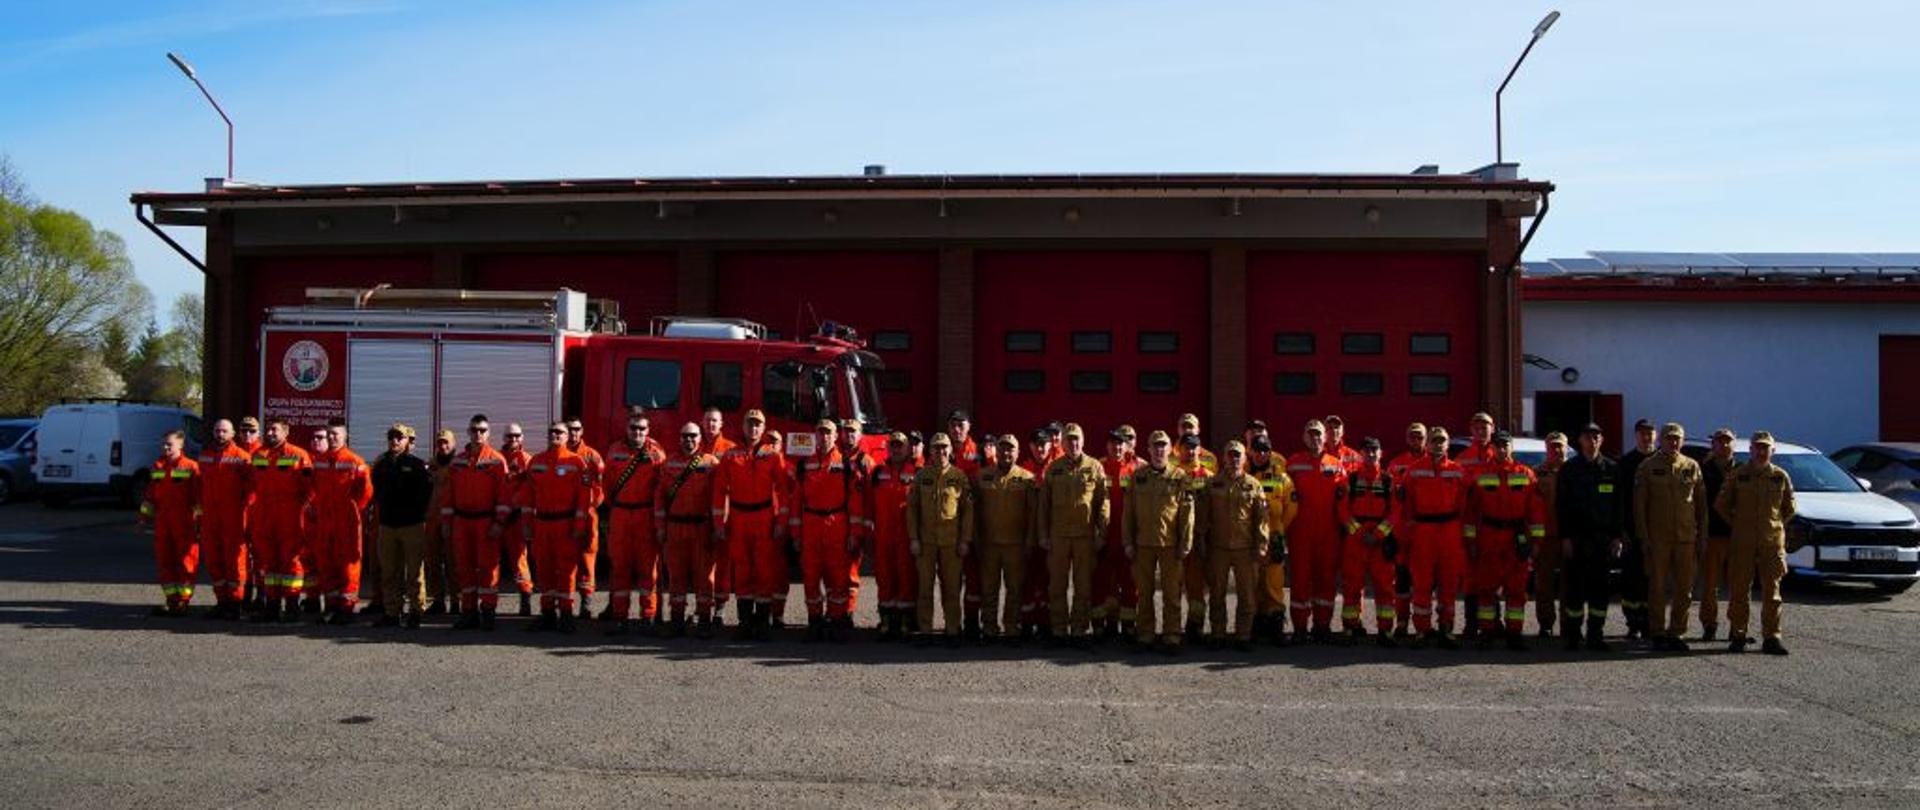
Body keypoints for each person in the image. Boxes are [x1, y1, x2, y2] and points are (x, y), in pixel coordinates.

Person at [1714, 431, 1796, 655]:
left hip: (1771, 543)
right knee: (1740, 590)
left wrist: (1775, 525)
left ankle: (1772, 637)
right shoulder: (1738, 475)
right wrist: (1739, 525)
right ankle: (1738, 634)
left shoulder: (1780, 476)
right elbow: (1721, 504)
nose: (1761, 452)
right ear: (1750, 449)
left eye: (1765, 448)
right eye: (1757, 447)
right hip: (1743, 542)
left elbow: (1790, 509)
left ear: (1772, 451)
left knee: (1773, 592)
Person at [1464, 431, 1544, 650]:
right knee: (1486, 590)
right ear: (1493, 448)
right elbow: (1471, 512)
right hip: (1489, 537)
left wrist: (1536, 542)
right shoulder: (1480, 474)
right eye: (1498, 445)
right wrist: (1470, 542)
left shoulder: (1526, 474)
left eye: (1505, 445)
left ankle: (1514, 634)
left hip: (1515, 539)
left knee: (1516, 591)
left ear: (1511, 448)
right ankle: (1487, 632)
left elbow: (1535, 512)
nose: (1501, 449)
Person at [1634, 422, 1708, 651]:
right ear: (1661, 440)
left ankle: (1677, 632)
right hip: (1659, 539)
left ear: (1682, 441)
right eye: (1669, 438)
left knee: (1684, 588)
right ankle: (1657, 632)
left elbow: (1701, 506)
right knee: (1657, 587)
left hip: (1686, 538)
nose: (1673, 442)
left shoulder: (1692, 466)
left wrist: (1702, 536)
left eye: (1677, 439)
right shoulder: (1648, 467)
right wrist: (1643, 537)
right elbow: (1639, 506)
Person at [789, 419, 863, 642]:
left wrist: (854, 534)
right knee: (810, 578)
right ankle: (814, 622)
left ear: (835, 436)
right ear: (816, 436)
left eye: (828, 433)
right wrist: (796, 535)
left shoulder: (846, 465)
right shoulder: (805, 465)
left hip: (837, 523)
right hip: (811, 524)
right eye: (820, 433)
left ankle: (837, 621)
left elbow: (855, 504)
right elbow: (795, 503)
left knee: (838, 578)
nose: (824, 437)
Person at [715, 410, 786, 640]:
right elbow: (719, 492)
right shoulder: (730, 456)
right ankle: (745, 621)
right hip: (739, 517)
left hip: (764, 516)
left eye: (758, 425)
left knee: (764, 570)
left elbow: (784, 491)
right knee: (742, 569)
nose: (753, 429)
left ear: (763, 428)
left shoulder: (773, 456)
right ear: (743, 427)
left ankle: (762, 622)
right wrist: (719, 521)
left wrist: (780, 521)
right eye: (750, 424)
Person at [1123, 431, 1195, 654]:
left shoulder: (1180, 477)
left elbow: (1187, 512)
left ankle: (1172, 636)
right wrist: (1128, 541)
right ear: (1149, 449)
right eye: (1155, 446)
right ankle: (1145, 635)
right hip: (1143, 544)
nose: (1159, 450)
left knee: (1171, 593)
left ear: (1169, 449)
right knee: (1144, 593)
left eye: (1163, 446)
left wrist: (1186, 542)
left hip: (1170, 545)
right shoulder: (1138, 476)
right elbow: (1129, 512)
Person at [1039, 423, 1110, 645]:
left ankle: (1079, 629)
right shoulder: (1053, 468)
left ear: (1083, 441)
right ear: (1062, 443)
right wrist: (1043, 534)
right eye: (1069, 440)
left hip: (1084, 536)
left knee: (1083, 585)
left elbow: (1103, 502)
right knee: (1057, 585)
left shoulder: (1095, 467)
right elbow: (1044, 506)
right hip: (1059, 536)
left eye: (1077, 439)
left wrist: (1102, 534)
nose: (1074, 444)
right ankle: (1059, 629)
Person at [1399, 427, 1469, 649]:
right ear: (1427, 444)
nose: (1438, 444)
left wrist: (1464, 537)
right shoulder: (1413, 471)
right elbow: (1406, 507)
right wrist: (1407, 538)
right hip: (1423, 531)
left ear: (1448, 444)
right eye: (1434, 441)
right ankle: (1422, 629)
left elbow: (1466, 506)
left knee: (1448, 584)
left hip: (1450, 530)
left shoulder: (1458, 471)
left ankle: (1446, 628)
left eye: (1442, 441)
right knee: (1422, 584)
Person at [1557, 424, 1624, 652]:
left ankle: (1596, 634)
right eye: (1588, 436)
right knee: (1574, 589)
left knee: (1600, 589)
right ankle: (1573, 635)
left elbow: (1619, 507)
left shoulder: (1612, 469)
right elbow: (1562, 506)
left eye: (1596, 436)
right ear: (1580, 440)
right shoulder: (1569, 469)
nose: (1592, 440)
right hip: (1576, 538)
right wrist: (1565, 537)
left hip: (1602, 538)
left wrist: (1617, 537)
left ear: (1601, 440)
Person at [1197, 440, 1268, 650]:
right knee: (1217, 593)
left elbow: (1261, 519)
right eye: (1230, 455)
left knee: (1246, 594)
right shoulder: (1212, 484)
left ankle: (1243, 635)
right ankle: (1218, 634)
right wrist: (1200, 540)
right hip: (1218, 548)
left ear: (1245, 459)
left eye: (1238, 455)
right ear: (1224, 458)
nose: (1234, 459)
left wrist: (1262, 544)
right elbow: (1203, 517)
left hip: (1245, 549)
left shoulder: (1254, 485)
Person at [442, 415, 511, 631]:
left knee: (488, 568)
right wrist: (447, 522)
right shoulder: (457, 461)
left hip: (486, 521)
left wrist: (499, 522)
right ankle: (469, 612)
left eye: (482, 430)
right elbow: (448, 495)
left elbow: (504, 496)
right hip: (462, 521)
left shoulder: (497, 461)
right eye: (474, 430)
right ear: (468, 432)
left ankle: (488, 612)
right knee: (464, 568)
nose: (478, 434)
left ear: (488, 433)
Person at [520, 422, 591, 633]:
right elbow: (527, 497)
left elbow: (583, 500)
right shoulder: (536, 461)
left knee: (566, 571)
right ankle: (548, 614)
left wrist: (579, 526)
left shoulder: (577, 462)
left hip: (565, 524)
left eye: (559, 432)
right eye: (552, 432)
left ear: (568, 436)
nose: (555, 435)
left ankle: (567, 615)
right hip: (542, 524)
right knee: (544, 570)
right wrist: (526, 525)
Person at [653, 422, 721, 638]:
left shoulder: (711, 464)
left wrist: (716, 528)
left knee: (704, 578)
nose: (689, 440)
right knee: (676, 576)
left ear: (700, 438)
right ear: (679, 438)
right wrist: (661, 528)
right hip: (675, 528)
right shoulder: (668, 464)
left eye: (693, 436)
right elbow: (659, 499)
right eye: (684, 436)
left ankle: (704, 620)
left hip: (702, 528)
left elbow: (718, 499)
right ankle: (677, 619)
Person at [602, 415, 666, 635]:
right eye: (633, 428)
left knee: (647, 570)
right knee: (620, 568)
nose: (637, 432)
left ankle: (648, 617)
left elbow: (662, 488)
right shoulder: (614, 451)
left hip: (645, 515)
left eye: (641, 429)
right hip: (620, 514)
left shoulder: (656, 454)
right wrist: (617, 509)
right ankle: (620, 617)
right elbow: (607, 485)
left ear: (648, 430)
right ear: (626, 428)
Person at [908, 432, 974, 646]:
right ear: (931, 451)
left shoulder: (959, 477)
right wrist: (914, 538)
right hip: (926, 542)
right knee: (925, 588)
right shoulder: (921, 477)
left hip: (951, 543)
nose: (941, 451)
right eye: (936, 448)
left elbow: (967, 512)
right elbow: (912, 510)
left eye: (944, 447)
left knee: (952, 589)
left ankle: (953, 629)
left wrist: (965, 540)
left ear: (950, 450)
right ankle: (926, 630)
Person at [1285, 420, 1348, 643]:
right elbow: (1285, 499)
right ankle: (1300, 628)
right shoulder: (1293, 464)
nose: (1315, 438)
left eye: (1319, 434)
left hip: (1329, 533)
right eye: (1311, 435)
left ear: (1326, 437)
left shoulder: (1337, 464)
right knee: (1300, 580)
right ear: (1304, 437)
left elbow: (1344, 500)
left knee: (1326, 580)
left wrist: (1346, 529)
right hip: (1300, 532)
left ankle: (1322, 626)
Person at [249, 418, 314, 624]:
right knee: (268, 562)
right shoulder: (258, 455)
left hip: (290, 516)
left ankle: (292, 605)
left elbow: (311, 489)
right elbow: (250, 484)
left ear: (286, 432)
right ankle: (272, 605)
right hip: (265, 515)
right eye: (268, 429)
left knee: (291, 561)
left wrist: (301, 511)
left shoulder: (298, 455)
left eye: (274, 430)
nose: (270, 433)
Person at [370, 423, 433, 629]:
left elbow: (425, 495)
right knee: (389, 571)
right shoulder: (381, 464)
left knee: (414, 572)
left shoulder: (416, 465)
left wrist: (417, 515)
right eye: (391, 437)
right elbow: (375, 491)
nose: (395, 441)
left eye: (399, 437)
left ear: (408, 441)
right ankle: (392, 612)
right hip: (387, 525)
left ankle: (416, 611)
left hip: (412, 526)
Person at [1336, 437, 1398, 646]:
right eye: (1367, 451)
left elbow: (1396, 512)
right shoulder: (1350, 480)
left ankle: (1385, 630)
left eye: (1375, 450)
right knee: (1352, 585)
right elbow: (1343, 510)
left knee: (1385, 588)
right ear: (1361, 454)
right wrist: (1359, 532)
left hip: (1380, 542)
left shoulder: (1389, 481)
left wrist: (1379, 534)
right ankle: (1351, 627)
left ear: (1381, 453)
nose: (1371, 454)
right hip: (1357, 540)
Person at [975, 433, 1036, 643]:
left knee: (1014, 590)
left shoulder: (1027, 478)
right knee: (989, 589)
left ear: (1018, 453)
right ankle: (990, 628)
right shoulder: (982, 476)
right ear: (996, 452)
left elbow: (1032, 513)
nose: (1006, 453)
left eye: (1010, 449)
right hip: (989, 544)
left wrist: (1029, 541)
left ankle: (1012, 627)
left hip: (1015, 545)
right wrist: (976, 539)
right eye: (1002, 449)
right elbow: (974, 511)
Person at [311, 420, 373, 625]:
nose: (331, 437)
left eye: (336, 434)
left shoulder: (355, 461)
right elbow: (314, 489)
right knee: (326, 563)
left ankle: (346, 608)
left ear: (345, 437)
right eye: (329, 434)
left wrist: (353, 510)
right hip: (325, 521)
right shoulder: (320, 461)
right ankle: (331, 606)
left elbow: (366, 492)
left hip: (346, 521)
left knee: (348, 565)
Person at [140, 430, 201, 617]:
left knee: (185, 563)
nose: (165, 447)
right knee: (165, 562)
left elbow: (198, 499)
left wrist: (199, 523)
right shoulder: (157, 467)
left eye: (169, 444)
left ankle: (183, 601)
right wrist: (144, 517)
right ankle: (171, 600)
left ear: (181, 446)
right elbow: (150, 496)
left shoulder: (191, 467)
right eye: (164, 444)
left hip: (184, 523)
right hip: (163, 523)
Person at [196, 419, 252, 619]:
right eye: (217, 430)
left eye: (224, 431)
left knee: (235, 562)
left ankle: (235, 604)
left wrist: (246, 517)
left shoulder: (242, 458)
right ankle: (221, 602)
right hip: (211, 519)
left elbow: (252, 492)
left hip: (233, 519)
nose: (220, 434)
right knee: (214, 561)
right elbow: (197, 489)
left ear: (233, 433)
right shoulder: (205, 456)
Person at [1247, 431, 1297, 645]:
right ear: (1250, 452)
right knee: (1254, 581)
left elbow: (1291, 507)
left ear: (1271, 452)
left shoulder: (1281, 477)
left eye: (1265, 450)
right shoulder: (1244, 475)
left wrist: (1279, 531)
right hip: (1250, 538)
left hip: (1274, 536)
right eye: (1257, 450)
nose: (1261, 454)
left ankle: (1276, 624)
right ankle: (1255, 624)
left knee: (1274, 582)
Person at [868, 432, 919, 641]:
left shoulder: (917, 472)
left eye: (901, 446)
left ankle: (907, 621)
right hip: (883, 534)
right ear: (888, 448)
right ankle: (887, 621)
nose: (897, 449)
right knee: (885, 577)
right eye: (894, 446)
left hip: (906, 534)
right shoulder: (878, 472)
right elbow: (869, 504)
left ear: (907, 449)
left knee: (907, 576)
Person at [1092, 425, 1140, 640]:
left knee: (1130, 583)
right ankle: (1103, 625)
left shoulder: (1138, 469)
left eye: (1120, 443)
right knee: (1102, 582)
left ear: (1126, 445)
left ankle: (1129, 624)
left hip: (1127, 537)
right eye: (1113, 443)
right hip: (1104, 536)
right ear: (1107, 446)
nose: (1117, 447)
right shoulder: (1097, 467)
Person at [1615, 418, 1659, 640]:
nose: (1647, 436)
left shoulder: (1662, 461)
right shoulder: (1625, 463)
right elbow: (1618, 500)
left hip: (1658, 532)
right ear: (1636, 435)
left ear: (1656, 435)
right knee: (1631, 580)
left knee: (1653, 580)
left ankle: (1651, 622)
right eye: (1642, 432)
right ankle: (1633, 622)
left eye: (1650, 432)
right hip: (1632, 533)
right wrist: (1620, 531)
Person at [1384, 422, 1428, 639]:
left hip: (1425, 532)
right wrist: (1389, 532)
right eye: (1412, 436)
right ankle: (1401, 622)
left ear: (1426, 439)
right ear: (1406, 438)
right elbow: (1387, 500)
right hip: (1401, 532)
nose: (1416, 440)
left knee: (1425, 581)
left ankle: (1424, 625)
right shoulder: (1395, 465)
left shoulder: (1433, 463)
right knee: (1401, 581)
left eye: (1419, 437)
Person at [1697, 427, 1738, 641]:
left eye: (1727, 441)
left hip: (1737, 537)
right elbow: (1698, 504)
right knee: (1710, 585)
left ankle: (1736, 627)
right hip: (1712, 534)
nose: (1723, 445)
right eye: (1719, 442)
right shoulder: (1703, 470)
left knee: (1737, 586)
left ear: (1734, 444)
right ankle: (1709, 625)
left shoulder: (1742, 470)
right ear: (1712, 444)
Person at [1017, 427, 1058, 640]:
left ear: (1051, 445)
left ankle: (1045, 623)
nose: (1040, 448)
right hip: (1028, 535)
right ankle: (1026, 624)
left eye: (1044, 444)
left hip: (1050, 534)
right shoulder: (1023, 470)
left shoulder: (1056, 469)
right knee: (1027, 581)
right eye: (1036, 444)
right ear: (1030, 447)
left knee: (1049, 581)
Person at [564, 417, 607, 620]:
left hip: (588, 514)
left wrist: (589, 505)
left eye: (577, 429)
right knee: (566, 559)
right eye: (570, 430)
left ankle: (587, 604)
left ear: (582, 431)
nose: (573, 434)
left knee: (587, 557)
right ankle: (566, 605)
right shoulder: (560, 456)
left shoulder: (592, 456)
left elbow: (601, 488)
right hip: (564, 515)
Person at [837, 418, 877, 623]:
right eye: (846, 432)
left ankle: (848, 613)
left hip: (855, 527)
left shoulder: (866, 462)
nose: (849, 435)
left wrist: (866, 528)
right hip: (834, 523)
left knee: (851, 574)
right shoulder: (835, 458)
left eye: (853, 432)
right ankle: (834, 613)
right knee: (834, 572)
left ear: (860, 435)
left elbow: (871, 499)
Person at [1532, 432, 1570, 637]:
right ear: (1546, 448)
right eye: (1552, 446)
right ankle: (1545, 623)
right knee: (1543, 584)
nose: (1556, 450)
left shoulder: (1575, 471)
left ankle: (1567, 624)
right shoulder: (1537, 473)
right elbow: (1531, 507)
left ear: (1566, 447)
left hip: (1568, 537)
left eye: (1560, 446)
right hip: (1545, 537)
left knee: (1569, 584)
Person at [499, 423, 536, 616]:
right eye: (509, 436)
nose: (513, 439)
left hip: (516, 518)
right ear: (504, 438)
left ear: (522, 438)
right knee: (489, 562)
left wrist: (517, 510)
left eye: (516, 436)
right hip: (496, 518)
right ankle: (487, 604)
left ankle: (525, 599)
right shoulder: (496, 459)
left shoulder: (527, 460)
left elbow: (529, 489)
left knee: (519, 561)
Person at [423, 430, 456, 615]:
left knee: (453, 562)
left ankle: (457, 601)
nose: (442, 446)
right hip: (432, 519)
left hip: (451, 519)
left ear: (453, 443)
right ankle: (438, 600)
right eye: (439, 443)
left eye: (446, 443)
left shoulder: (458, 465)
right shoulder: (431, 465)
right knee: (433, 561)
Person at [236, 415, 265, 609]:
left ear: (259, 433)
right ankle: (244, 595)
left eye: (252, 431)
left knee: (261, 556)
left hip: (260, 513)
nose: (248, 434)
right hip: (238, 513)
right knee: (242, 557)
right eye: (244, 430)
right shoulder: (233, 454)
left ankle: (262, 596)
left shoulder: (264, 454)